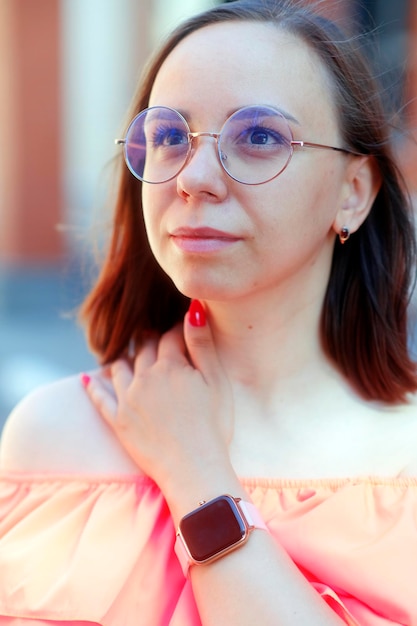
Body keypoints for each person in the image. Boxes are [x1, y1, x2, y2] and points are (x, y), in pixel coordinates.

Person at [0, 0, 417, 624]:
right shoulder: (52, 436)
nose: (193, 177)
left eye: (257, 137)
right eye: (169, 136)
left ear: (352, 193)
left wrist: (195, 470)